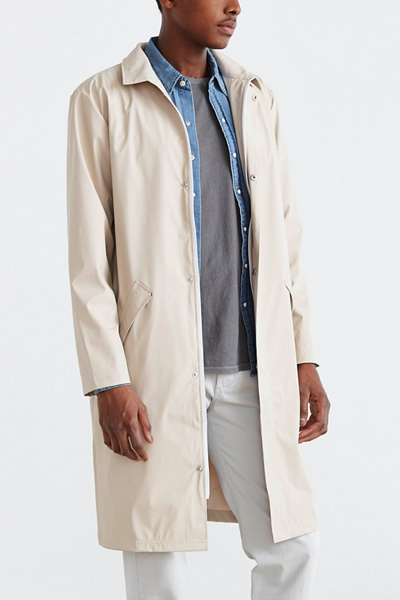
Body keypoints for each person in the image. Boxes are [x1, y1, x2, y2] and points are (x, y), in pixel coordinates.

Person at [66, 0, 331, 598]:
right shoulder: (101, 100)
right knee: (156, 553)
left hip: (250, 368)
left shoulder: (254, 98)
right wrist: (108, 381)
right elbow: (88, 263)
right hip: (152, 369)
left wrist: (303, 355)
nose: (234, 6)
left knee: (293, 544)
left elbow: (285, 239)